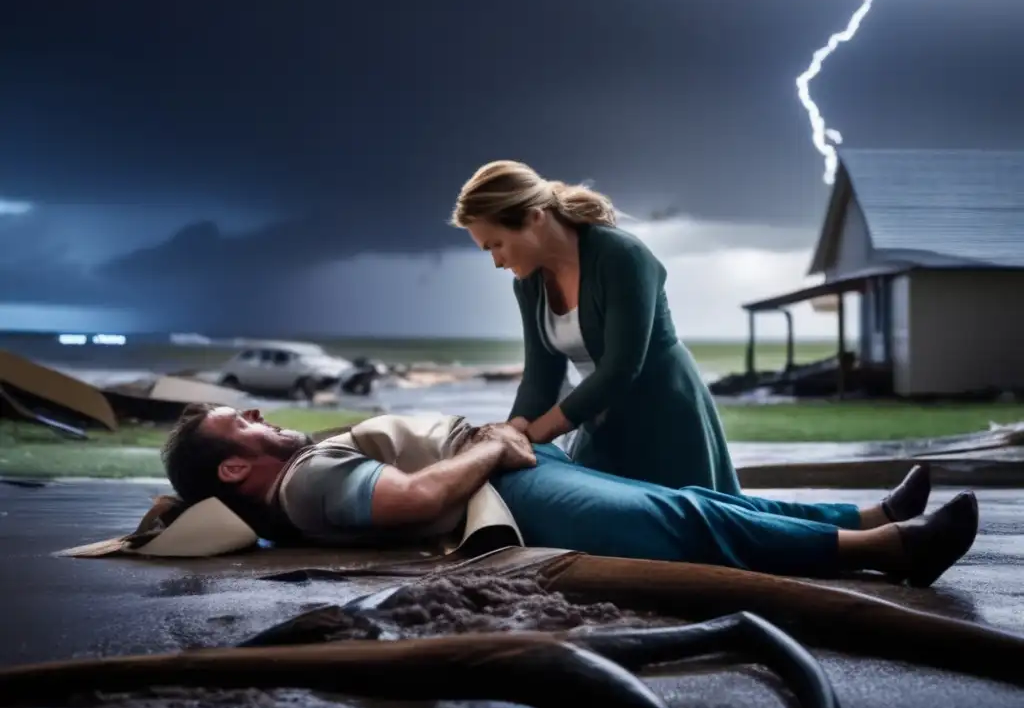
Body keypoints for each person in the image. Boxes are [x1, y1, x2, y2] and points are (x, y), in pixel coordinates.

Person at [160, 404, 978, 588]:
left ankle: (869, 516)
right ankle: (888, 552)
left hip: (512, 467)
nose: (262, 417)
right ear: (235, 469)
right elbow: (409, 499)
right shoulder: (305, 486)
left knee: (687, 499)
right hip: (509, 493)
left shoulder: (288, 486)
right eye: (245, 421)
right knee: (682, 520)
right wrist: (491, 444)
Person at [450, 160, 740, 494]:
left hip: (665, 415)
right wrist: (510, 432)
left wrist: (531, 436)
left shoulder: (622, 256)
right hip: (598, 415)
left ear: (534, 217)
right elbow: (541, 377)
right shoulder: (529, 284)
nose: (497, 262)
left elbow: (621, 367)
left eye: (496, 244)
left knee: (688, 529)